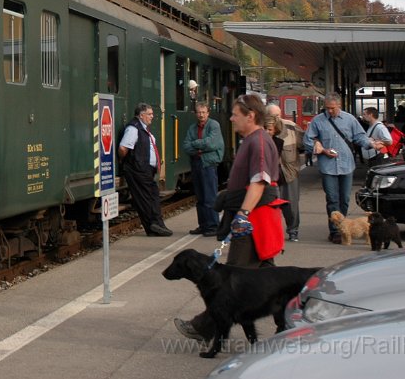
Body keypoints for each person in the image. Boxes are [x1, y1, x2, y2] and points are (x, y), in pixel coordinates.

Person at [174, 93, 284, 343]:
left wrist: (243, 215)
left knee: (231, 280)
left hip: (254, 219)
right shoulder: (253, 140)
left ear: (250, 116)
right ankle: (292, 320)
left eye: (235, 114)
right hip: (255, 218)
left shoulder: (258, 142)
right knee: (268, 275)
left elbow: (259, 181)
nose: (231, 118)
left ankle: (205, 327)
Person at [302, 93, 382, 244]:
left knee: (344, 199)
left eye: (332, 108)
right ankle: (334, 232)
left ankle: (343, 227)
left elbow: (359, 136)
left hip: (346, 164)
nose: (330, 111)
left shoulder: (349, 119)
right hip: (327, 165)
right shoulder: (318, 121)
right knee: (332, 199)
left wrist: (372, 144)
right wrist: (320, 148)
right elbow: (307, 139)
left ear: (339, 105)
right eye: (327, 108)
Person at [118, 103, 173, 236]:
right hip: (138, 169)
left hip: (144, 169)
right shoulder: (133, 129)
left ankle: (155, 226)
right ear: (141, 115)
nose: (152, 117)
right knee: (147, 197)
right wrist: (127, 162)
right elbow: (123, 148)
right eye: (149, 114)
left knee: (150, 196)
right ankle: (153, 225)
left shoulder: (142, 128)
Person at [182, 101, 223, 237]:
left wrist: (196, 144)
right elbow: (186, 146)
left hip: (208, 164)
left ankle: (213, 225)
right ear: (195, 113)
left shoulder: (214, 125)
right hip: (196, 163)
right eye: (198, 112)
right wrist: (200, 146)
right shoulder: (192, 128)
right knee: (200, 197)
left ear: (208, 113)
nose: (201, 115)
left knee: (209, 196)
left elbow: (212, 143)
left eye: (203, 112)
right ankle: (203, 225)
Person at [266, 103, 301, 241]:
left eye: (278, 115)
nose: (276, 119)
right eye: (273, 116)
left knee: (291, 204)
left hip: (289, 172)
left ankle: (293, 230)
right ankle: (271, 233)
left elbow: (305, 143)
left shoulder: (292, 127)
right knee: (269, 205)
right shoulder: (263, 130)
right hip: (270, 174)